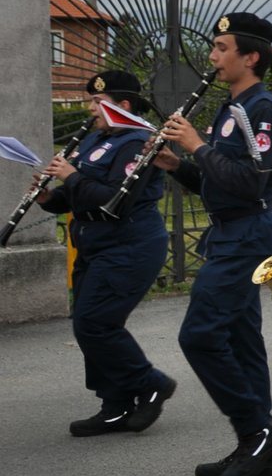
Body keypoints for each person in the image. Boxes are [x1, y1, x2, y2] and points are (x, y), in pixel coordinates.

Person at [156, 13, 272, 476]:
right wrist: (177, 163)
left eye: (221, 48)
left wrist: (195, 146)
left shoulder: (262, 109)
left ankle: (258, 432)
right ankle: (257, 448)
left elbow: (254, 183)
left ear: (250, 56)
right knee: (239, 339)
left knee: (200, 335)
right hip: (231, 230)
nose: (212, 57)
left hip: (248, 235)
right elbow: (219, 181)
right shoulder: (231, 107)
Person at [38, 71, 176, 437]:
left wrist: (70, 176)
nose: (90, 109)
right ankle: (114, 406)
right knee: (92, 324)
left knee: (94, 322)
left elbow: (115, 200)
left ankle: (151, 383)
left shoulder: (138, 143)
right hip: (93, 244)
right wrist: (47, 196)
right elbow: (75, 197)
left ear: (123, 106)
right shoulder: (95, 140)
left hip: (129, 245)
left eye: (98, 103)